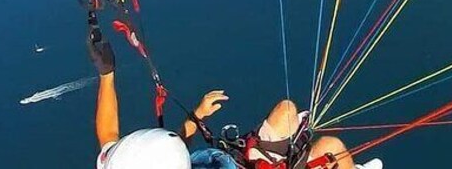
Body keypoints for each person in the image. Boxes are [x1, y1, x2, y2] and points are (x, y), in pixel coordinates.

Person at [88, 28, 382, 169]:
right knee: (332, 147)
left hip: (242, 161)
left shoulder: (125, 160)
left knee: (286, 110)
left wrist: (107, 73)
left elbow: (108, 134)